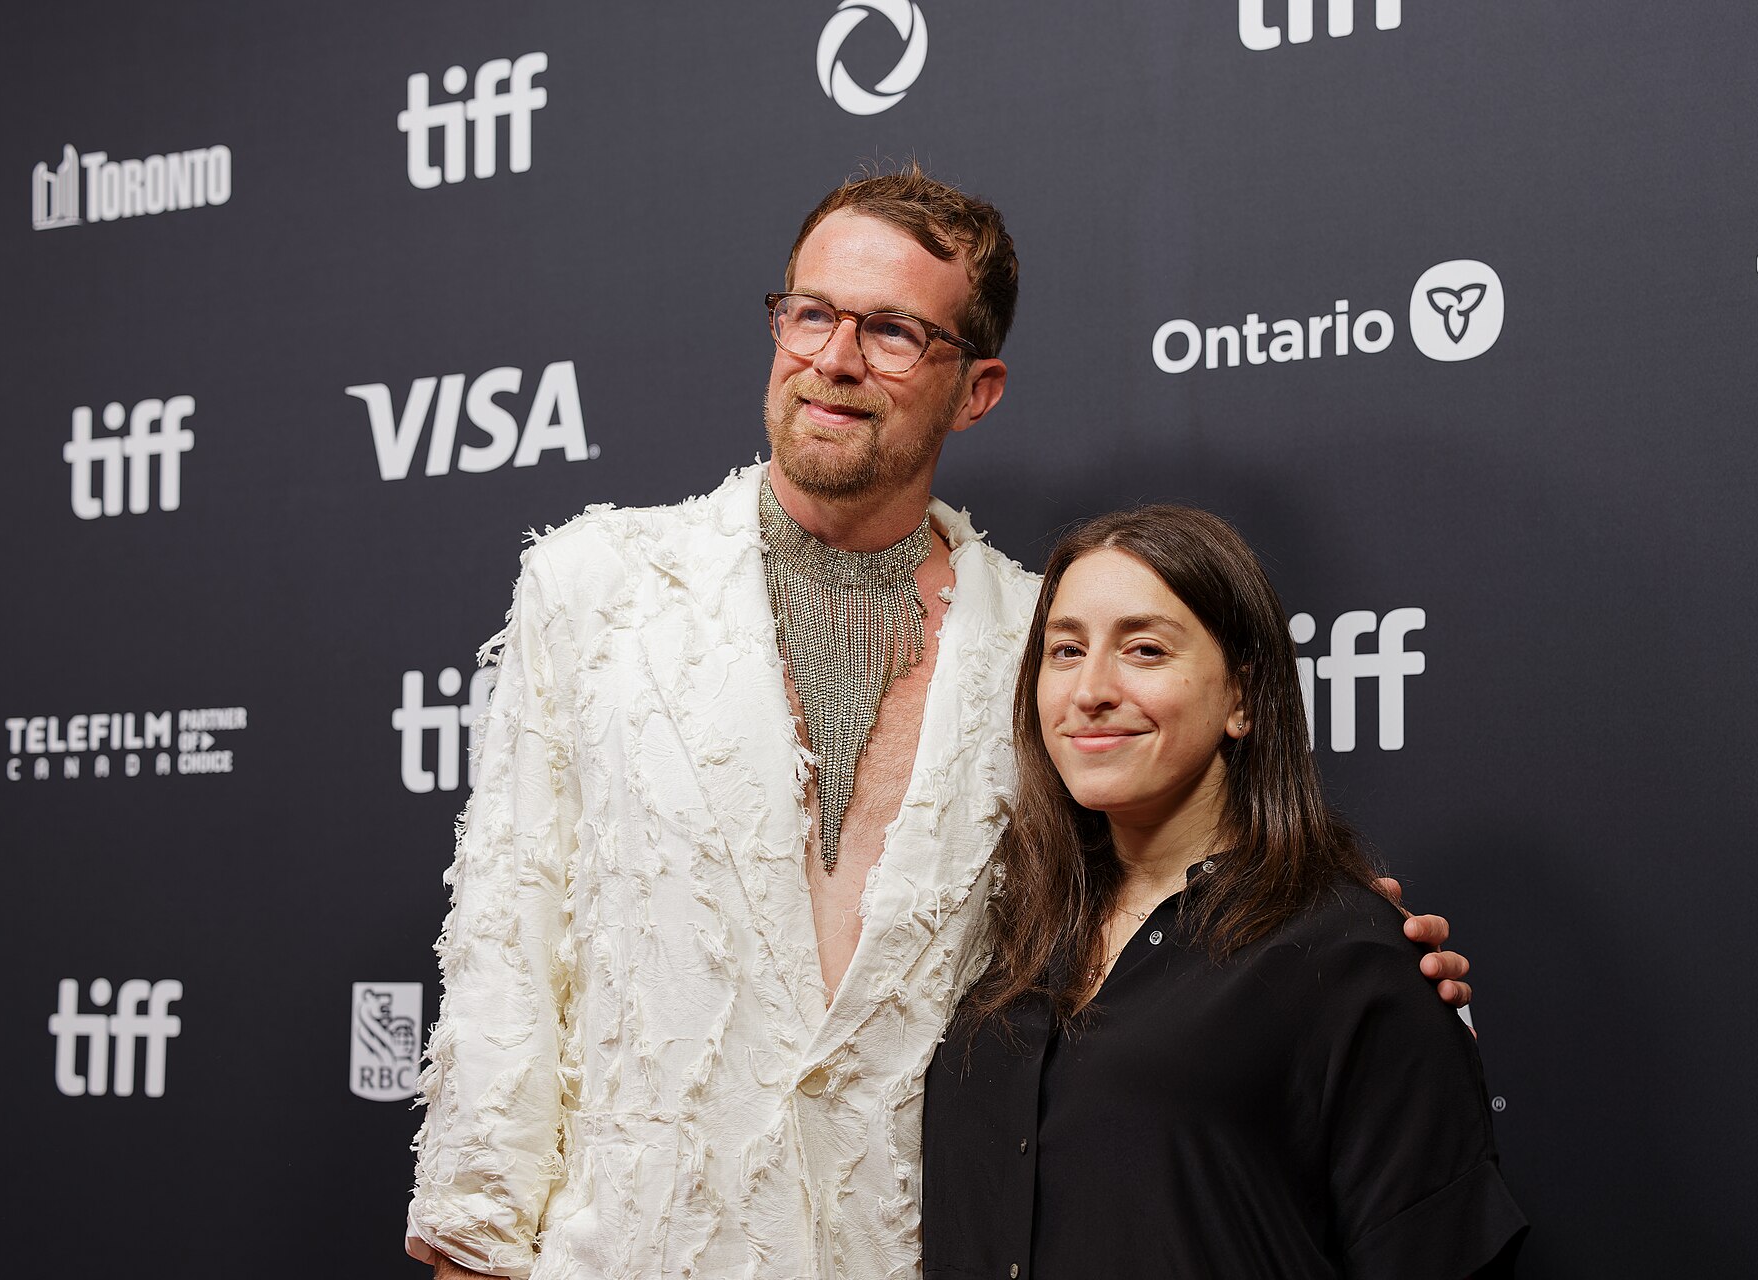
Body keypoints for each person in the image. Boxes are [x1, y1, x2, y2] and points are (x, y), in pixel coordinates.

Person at [404, 167, 1473, 1280]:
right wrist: (472, 1248)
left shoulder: (1041, 644)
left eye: (893, 331)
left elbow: (1151, 904)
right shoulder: (597, 587)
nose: (835, 358)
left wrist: (1352, 960)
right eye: (810, 313)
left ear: (977, 389)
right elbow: (506, 949)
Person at [921, 506, 1526, 1278]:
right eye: (1066, 650)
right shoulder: (1008, 938)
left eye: (1144, 649)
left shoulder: (1348, 957)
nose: (1091, 689)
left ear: (1243, 694)